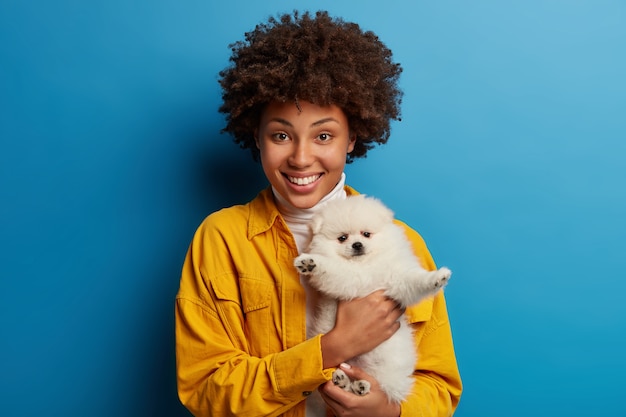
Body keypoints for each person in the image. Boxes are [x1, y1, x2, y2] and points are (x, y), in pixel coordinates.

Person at [175, 10, 462, 417]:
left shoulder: (402, 241)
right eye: (280, 135)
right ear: (256, 136)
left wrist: (389, 411)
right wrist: (331, 348)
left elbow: (439, 386)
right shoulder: (221, 238)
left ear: (353, 138)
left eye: (323, 135)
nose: (301, 157)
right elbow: (204, 389)